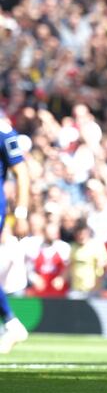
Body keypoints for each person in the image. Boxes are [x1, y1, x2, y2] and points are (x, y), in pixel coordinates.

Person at [0, 117, 30, 354]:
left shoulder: (3, 130)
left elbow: (22, 172)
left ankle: (10, 322)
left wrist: (20, 213)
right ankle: (11, 323)